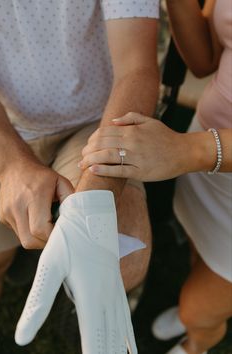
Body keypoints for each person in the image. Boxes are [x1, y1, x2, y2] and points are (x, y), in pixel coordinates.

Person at [0, 0, 160, 348]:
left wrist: (93, 199)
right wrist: (10, 164)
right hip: (5, 124)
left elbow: (137, 68)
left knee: (121, 261)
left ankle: (76, 302)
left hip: (96, 122)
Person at [80, 0, 232, 353]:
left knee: (200, 309)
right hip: (205, 150)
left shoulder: (188, 150)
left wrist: (188, 151)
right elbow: (204, 59)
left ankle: (197, 340)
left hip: (198, 150)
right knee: (201, 250)